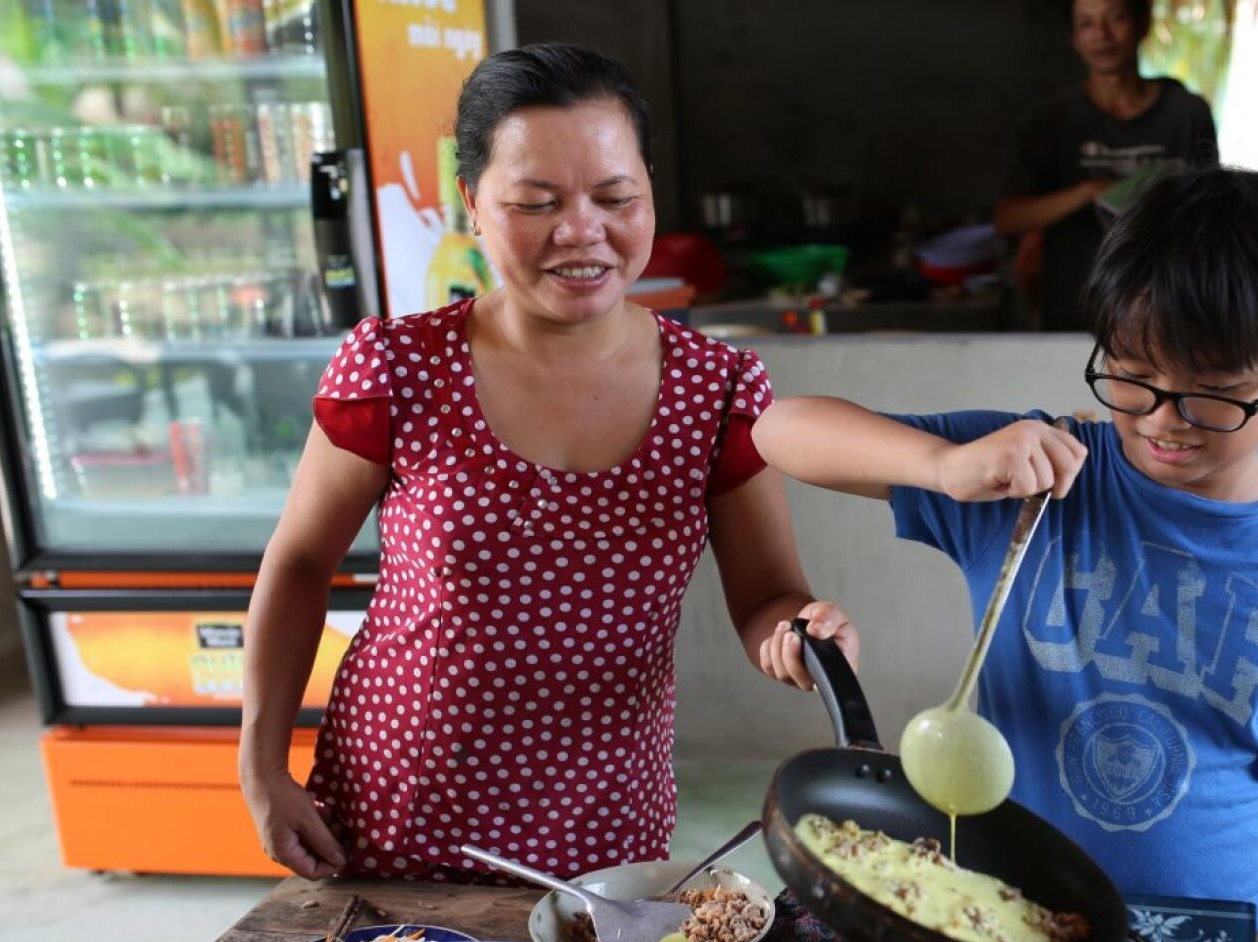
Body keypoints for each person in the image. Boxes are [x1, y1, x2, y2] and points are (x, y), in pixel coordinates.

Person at [241, 44, 857, 883]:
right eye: (536, 203)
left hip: (607, 823)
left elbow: (766, 597)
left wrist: (797, 635)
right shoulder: (396, 367)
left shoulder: (717, 389)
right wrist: (261, 764)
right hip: (400, 807)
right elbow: (300, 562)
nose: (581, 232)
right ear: (473, 203)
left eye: (615, 198)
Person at [754, 168, 1258, 934]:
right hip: (1009, 924)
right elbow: (779, 429)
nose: (1162, 419)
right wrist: (944, 466)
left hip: (1228, 940)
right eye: (1131, 374)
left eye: (1211, 389)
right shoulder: (1032, 479)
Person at [995, 0, 1218, 332]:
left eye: (1116, 19)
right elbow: (1008, 218)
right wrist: (1089, 192)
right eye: (1086, 24)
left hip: (1164, 314)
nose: (1101, 35)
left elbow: (1210, 217)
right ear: (1074, 38)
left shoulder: (1186, 113)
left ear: (1142, 24)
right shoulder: (1051, 121)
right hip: (1073, 314)